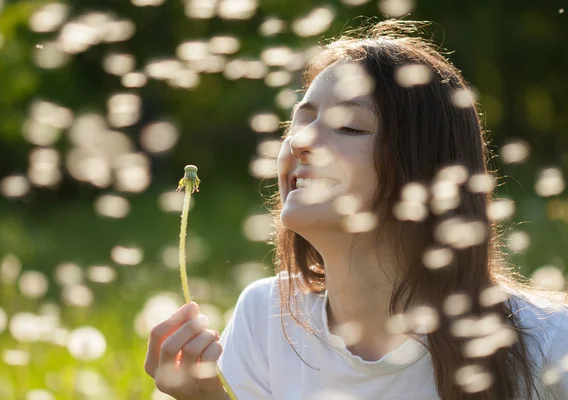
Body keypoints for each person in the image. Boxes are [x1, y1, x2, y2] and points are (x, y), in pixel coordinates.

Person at [144, 19, 568, 400]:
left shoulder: (548, 342)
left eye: (348, 126)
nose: (301, 141)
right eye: (302, 119)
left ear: (425, 171)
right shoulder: (267, 319)